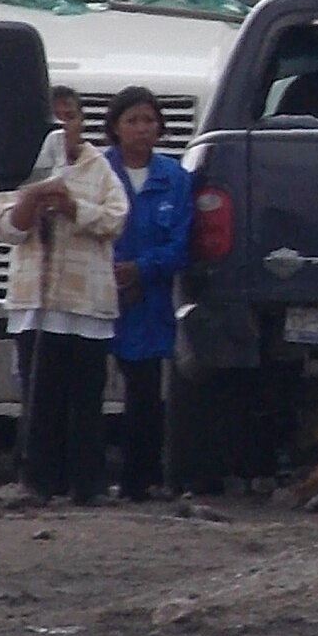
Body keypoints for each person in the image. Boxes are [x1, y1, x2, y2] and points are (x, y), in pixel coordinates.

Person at [0, 86, 130, 505]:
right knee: (39, 397)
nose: (62, 126)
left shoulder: (99, 168)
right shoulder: (21, 168)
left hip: (86, 302)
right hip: (35, 303)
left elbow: (115, 219)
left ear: (81, 122)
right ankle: (37, 482)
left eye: (69, 117)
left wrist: (74, 208)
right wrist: (33, 199)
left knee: (85, 398)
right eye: (54, 118)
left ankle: (87, 484)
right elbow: (5, 228)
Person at [104, 86, 193, 501]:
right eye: (132, 120)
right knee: (85, 392)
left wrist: (141, 270)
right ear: (115, 127)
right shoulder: (99, 172)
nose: (142, 129)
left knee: (144, 393)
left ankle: (142, 479)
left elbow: (181, 244)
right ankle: (81, 477)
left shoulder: (174, 178)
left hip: (150, 301)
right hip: (97, 298)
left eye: (149, 120)